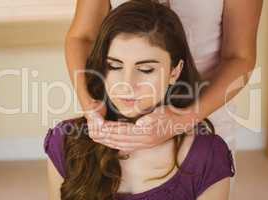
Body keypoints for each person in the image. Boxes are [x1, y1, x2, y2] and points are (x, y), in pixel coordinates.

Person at [45, 1, 235, 199]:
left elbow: (239, 56)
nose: (126, 84)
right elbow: (81, 36)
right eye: (114, 66)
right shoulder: (65, 142)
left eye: (145, 70)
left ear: (175, 71)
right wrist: (90, 107)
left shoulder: (206, 156)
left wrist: (182, 120)